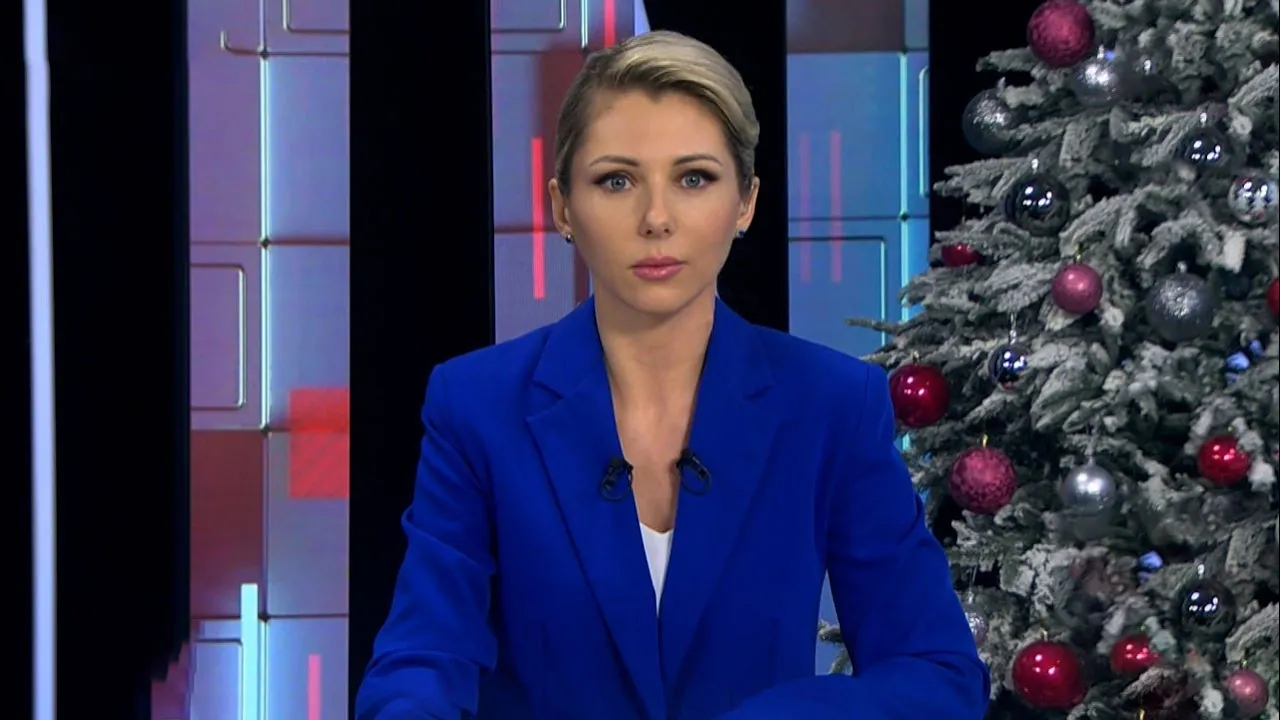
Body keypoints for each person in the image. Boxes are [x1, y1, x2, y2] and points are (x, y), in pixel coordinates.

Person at [356, 30, 989, 720]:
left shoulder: (833, 404)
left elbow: (935, 674)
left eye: (694, 179)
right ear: (563, 205)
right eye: (616, 180)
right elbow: (421, 661)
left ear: (745, 201)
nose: (656, 219)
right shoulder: (476, 405)